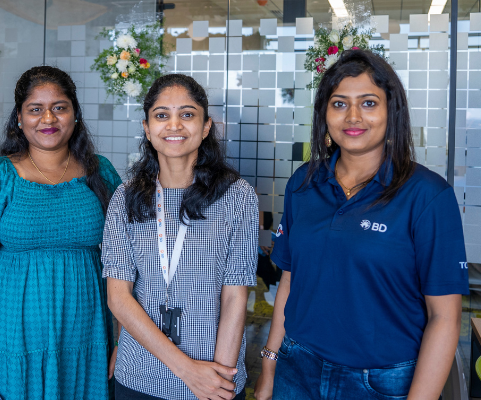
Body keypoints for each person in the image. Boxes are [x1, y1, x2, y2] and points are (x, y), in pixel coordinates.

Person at [254, 50, 468, 400]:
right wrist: (269, 366)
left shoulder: (428, 196)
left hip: (382, 382)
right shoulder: (303, 183)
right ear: (324, 114)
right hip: (296, 370)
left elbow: (444, 318)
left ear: (391, 111)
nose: (353, 116)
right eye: (339, 104)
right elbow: (290, 282)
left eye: (369, 103)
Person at [0, 66, 123, 400]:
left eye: (60, 107)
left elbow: (123, 265)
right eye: (36, 109)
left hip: (89, 333)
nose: (48, 118)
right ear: (19, 118)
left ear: (75, 114)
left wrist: (123, 342)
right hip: (15, 337)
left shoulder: (100, 171)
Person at [102, 74, 258, 400]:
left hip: (215, 377)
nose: (174, 125)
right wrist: (187, 370)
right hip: (139, 377)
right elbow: (118, 298)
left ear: (206, 127)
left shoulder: (238, 196)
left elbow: (235, 296)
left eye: (187, 114)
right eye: (162, 115)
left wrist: (217, 382)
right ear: (147, 128)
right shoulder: (125, 198)